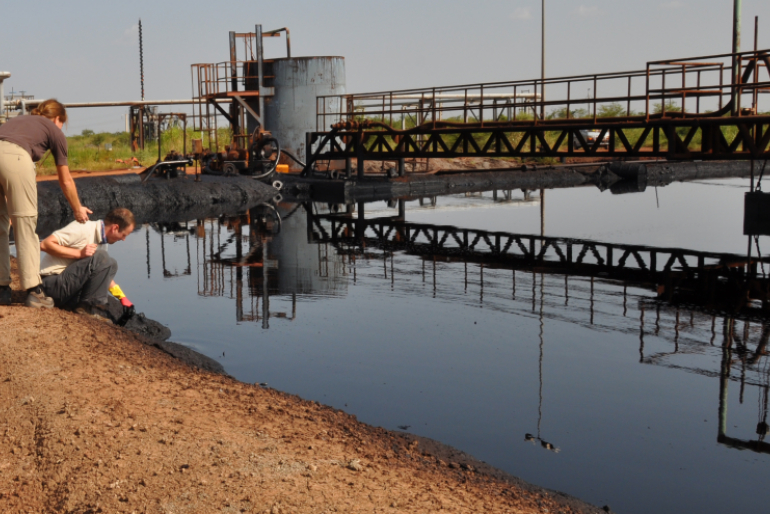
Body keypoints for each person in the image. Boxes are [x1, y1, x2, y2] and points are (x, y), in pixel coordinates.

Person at [0, 99, 92, 308]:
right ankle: (34, 291)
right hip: (16, 159)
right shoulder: (54, 130)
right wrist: (77, 209)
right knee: (25, 224)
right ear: (58, 118)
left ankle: (1, 289)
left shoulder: (19, 121)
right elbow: (65, 180)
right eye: (62, 123)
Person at [39, 207, 135, 321]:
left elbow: (102, 274)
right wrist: (79, 253)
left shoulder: (102, 242)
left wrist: (122, 297)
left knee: (111, 264)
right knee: (102, 257)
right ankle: (86, 309)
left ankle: (81, 306)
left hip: (66, 287)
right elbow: (44, 244)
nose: (124, 239)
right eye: (124, 235)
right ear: (115, 228)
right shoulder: (83, 228)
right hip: (49, 285)